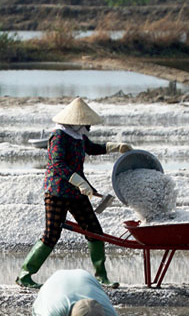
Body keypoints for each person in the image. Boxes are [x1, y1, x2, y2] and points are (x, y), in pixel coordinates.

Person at [16, 97, 131, 289]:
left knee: (95, 231)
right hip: (57, 192)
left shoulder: (79, 136)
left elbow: (92, 148)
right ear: (76, 122)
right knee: (51, 235)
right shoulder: (59, 136)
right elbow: (57, 164)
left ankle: (101, 276)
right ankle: (25, 275)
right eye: (86, 124)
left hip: (77, 192)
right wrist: (79, 182)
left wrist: (115, 147)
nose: (88, 128)